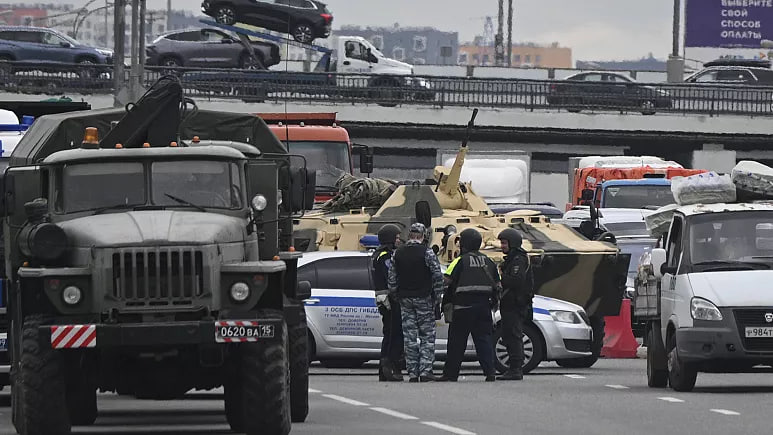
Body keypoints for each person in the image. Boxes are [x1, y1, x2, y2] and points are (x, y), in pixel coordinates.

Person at [438, 228, 500, 382]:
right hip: (484, 308)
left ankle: (450, 375)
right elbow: (498, 283)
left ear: (464, 244)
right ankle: (490, 373)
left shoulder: (460, 261)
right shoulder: (489, 261)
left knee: (457, 343)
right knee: (484, 341)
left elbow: (446, 281)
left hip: (462, 309)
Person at [388, 222, 444, 383]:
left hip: (405, 299)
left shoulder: (398, 253)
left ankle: (412, 372)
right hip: (424, 298)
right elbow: (437, 276)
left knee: (409, 337)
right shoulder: (426, 253)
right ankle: (425, 371)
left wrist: (395, 295)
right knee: (427, 336)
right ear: (423, 235)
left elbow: (391, 278)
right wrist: (437, 296)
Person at [496, 228, 534, 381]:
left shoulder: (519, 259)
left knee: (514, 335)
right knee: (508, 335)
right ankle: (513, 368)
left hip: (515, 305)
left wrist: (500, 276)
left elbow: (515, 281)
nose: (502, 246)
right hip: (509, 304)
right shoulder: (512, 259)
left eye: (504, 243)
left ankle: (516, 369)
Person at [372, 224, 404, 382]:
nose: (399, 240)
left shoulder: (381, 254)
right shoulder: (385, 256)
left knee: (391, 333)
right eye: (397, 237)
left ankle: (386, 368)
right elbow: (390, 276)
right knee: (392, 335)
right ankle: (388, 367)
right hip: (389, 300)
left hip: (386, 299)